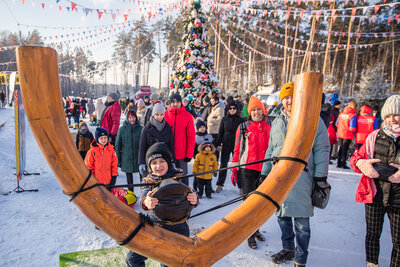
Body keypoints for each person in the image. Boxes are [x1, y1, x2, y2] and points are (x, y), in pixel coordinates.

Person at [261, 82, 330, 267]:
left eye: (292, 96)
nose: (289, 101)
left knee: (301, 222)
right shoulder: (276, 120)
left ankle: (300, 258)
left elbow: (322, 148)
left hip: (303, 177)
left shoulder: (312, 118)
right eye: (285, 97)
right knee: (282, 216)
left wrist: (321, 177)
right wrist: (264, 173)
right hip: (279, 177)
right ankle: (288, 248)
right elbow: (272, 148)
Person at [125, 142, 198, 267]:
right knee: (133, 258)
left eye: (162, 161)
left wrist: (194, 199)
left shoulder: (180, 176)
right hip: (154, 226)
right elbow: (144, 196)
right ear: (149, 166)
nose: (158, 166)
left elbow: (191, 195)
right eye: (154, 163)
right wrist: (146, 202)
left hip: (178, 228)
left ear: (168, 162)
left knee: (168, 262)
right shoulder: (148, 181)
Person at [350, 95, 400, 267]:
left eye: (396, 115)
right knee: (372, 234)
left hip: (398, 196)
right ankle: (372, 265)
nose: (392, 119)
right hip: (375, 193)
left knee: (398, 240)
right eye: (388, 115)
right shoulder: (374, 136)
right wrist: (362, 164)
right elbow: (356, 158)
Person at [231, 96, 271, 249]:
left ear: (263, 110)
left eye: (258, 109)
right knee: (248, 204)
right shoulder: (243, 126)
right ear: (249, 112)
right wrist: (234, 168)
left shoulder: (270, 125)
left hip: (265, 169)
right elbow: (237, 148)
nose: (256, 112)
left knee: (260, 204)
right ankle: (249, 234)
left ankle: (256, 230)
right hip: (247, 169)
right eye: (253, 110)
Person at [165, 93, 196, 186]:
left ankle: (185, 197)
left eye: (177, 102)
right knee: (167, 178)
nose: (175, 104)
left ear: (181, 102)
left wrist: (189, 154)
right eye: (173, 102)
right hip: (168, 153)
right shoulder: (165, 115)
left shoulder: (188, 116)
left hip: (181, 154)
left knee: (183, 178)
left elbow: (191, 136)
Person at [138, 103, 176, 178]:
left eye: (161, 115)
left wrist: (173, 161)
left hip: (163, 160)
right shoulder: (146, 129)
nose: (159, 117)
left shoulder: (167, 128)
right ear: (153, 115)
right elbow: (141, 147)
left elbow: (171, 146)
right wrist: (141, 162)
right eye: (157, 114)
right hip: (150, 160)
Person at [215, 101, 244, 193]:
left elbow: (243, 134)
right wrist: (218, 143)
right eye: (230, 108)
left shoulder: (240, 120)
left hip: (237, 144)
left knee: (238, 165)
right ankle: (220, 184)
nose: (232, 110)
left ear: (237, 110)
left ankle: (241, 186)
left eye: (234, 108)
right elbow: (220, 132)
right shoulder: (225, 119)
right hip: (226, 143)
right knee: (223, 164)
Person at [115, 110, 142, 192]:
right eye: (130, 117)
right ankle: (131, 193)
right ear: (127, 118)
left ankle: (143, 193)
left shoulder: (141, 129)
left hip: (139, 157)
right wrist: (119, 159)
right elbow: (117, 145)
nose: (132, 119)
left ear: (136, 118)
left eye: (133, 117)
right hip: (127, 157)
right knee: (129, 178)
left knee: (142, 177)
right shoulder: (122, 129)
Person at [336, 101, 357, 169]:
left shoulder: (341, 114)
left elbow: (336, 123)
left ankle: (338, 162)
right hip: (347, 134)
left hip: (340, 133)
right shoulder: (352, 116)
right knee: (345, 149)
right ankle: (343, 163)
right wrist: (355, 132)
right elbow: (352, 128)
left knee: (341, 148)